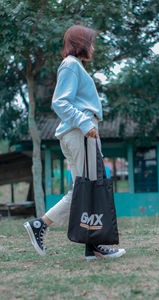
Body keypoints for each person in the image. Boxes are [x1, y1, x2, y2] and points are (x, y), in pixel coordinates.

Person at [24, 25, 126, 260]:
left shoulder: (76, 67)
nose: (93, 46)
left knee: (84, 191)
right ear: (81, 42)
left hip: (79, 133)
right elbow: (60, 102)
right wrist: (85, 123)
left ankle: (93, 247)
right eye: (91, 42)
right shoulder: (71, 64)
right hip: (81, 133)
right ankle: (41, 225)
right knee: (86, 190)